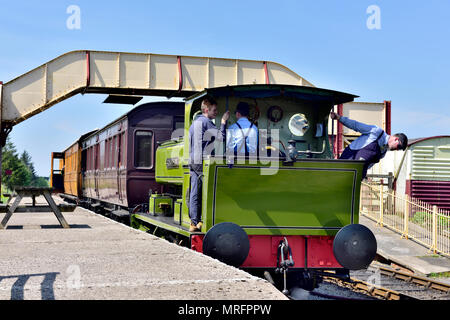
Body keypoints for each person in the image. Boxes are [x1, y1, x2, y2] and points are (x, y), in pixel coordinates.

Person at [188, 96, 230, 232]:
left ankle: (194, 222)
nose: (216, 112)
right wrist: (223, 122)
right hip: (202, 161)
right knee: (207, 190)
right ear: (206, 109)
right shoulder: (206, 122)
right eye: (214, 110)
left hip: (193, 160)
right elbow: (221, 137)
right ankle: (204, 220)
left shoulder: (194, 123)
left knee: (194, 192)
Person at [330, 112, 407, 180]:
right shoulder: (376, 132)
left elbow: (369, 165)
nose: (397, 149)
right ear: (396, 139)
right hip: (345, 164)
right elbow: (356, 125)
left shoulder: (383, 152)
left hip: (355, 177)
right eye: (398, 147)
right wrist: (339, 118)